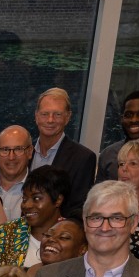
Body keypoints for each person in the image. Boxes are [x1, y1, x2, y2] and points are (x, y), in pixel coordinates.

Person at [30, 88, 97, 216]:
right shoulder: (24, 151)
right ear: (36, 116)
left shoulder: (83, 158)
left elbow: (79, 208)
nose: (50, 120)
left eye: (57, 114)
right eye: (45, 114)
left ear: (67, 117)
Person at [0, 168, 69, 270]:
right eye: (24, 199)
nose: (27, 205)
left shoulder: (71, 237)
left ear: (58, 200)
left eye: (36, 198)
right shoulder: (6, 232)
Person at [0, 126, 33, 239]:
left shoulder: (43, 191)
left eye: (18, 149)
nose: (11, 157)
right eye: (5, 150)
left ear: (30, 152)